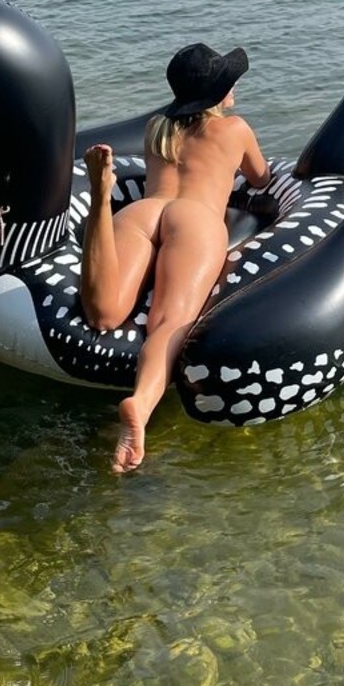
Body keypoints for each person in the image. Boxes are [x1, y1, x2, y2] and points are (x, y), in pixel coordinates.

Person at [81, 42, 271, 472]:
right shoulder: (234, 128)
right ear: (218, 93)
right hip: (196, 221)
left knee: (104, 314)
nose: (234, 87)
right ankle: (141, 404)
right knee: (168, 323)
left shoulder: (156, 128)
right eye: (228, 81)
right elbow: (261, 178)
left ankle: (100, 199)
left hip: (143, 212)